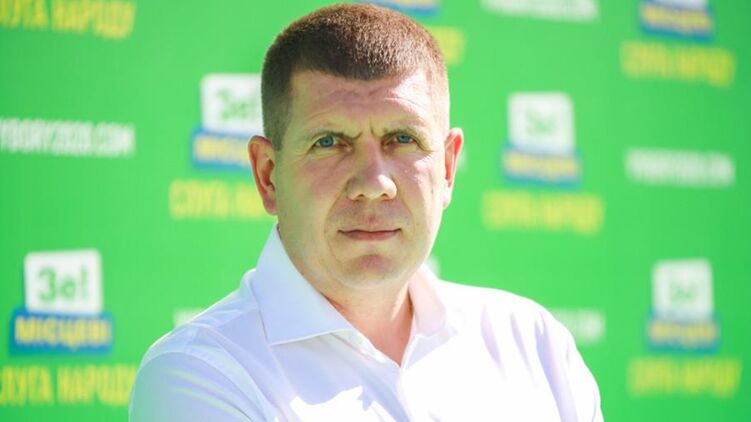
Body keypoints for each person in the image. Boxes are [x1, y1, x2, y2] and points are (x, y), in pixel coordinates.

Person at [129, 4, 603, 421]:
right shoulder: (199, 374)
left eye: (402, 139)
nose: (374, 183)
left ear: (447, 167)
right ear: (268, 175)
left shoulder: (533, 344)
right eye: (329, 142)